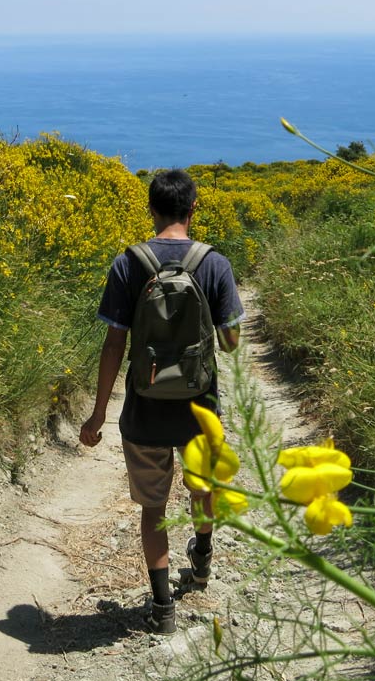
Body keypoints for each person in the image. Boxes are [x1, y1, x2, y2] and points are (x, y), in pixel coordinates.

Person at [80, 168, 245, 635]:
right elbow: (231, 341)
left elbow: (113, 345)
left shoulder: (127, 264)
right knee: (202, 488)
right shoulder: (214, 264)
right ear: (194, 209)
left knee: (153, 509)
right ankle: (203, 556)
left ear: (151, 209)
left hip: (145, 409)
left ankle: (162, 608)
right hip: (199, 408)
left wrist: (97, 414)